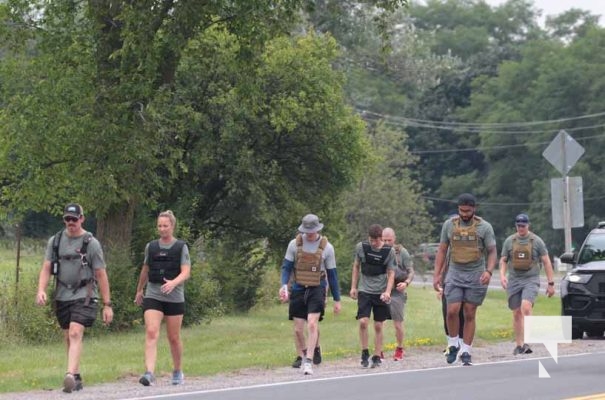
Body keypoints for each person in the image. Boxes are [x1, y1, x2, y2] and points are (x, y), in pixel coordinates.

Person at [35, 203, 113, 393]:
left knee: (75, 332)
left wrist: (107, 304)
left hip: (84, 294)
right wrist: (41, 289)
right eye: (67, 219)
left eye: (74, 219)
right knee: (68, 335)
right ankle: (76, 376)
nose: (71, 222)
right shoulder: (55, 241)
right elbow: (46, 267)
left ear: (82, 219)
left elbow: (101, 274)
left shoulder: (91, 243)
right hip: (62, 294)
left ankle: (69, 375)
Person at [432, 193, 497, 366]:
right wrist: (437, 274)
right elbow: (442, 250)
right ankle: (453, 343)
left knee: (469, 312)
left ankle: (466, 350)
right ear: (458, 209)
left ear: (474, 209)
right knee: (452, 310)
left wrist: (489, 271)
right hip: (454, 272)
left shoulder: (485, 227)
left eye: (468, 211)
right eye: (462, 210)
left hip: (476, 274)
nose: (465, 214)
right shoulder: (449, 225)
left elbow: (491, 251)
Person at [279, 214, 341, 375]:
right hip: (299, 288)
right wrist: (284, 285)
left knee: (312, 324)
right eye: (307, 231)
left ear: (318, 229)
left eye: (312, 231)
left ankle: (308, 361)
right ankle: (308, 351)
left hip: (317, 288)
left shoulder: (327, 247)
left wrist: (337, 299)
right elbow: (286, 267)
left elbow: (332, 274)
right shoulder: (294, 244)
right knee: (298, 330)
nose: (310, 234)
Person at [134, 210, 191, 386]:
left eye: (165, 225)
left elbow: (186, 272)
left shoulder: (181, 247)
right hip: (153, 294)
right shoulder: (151, 247)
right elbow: (145, 269)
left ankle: (177, 370)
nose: (162, 229)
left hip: (174, 297)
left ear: (172, 226)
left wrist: (174, 283)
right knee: (151, 331)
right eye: (159, 225)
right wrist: (139, 290)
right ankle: (149, 373)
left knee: (173, 337)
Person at [499, 213, 555, 355]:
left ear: (528, 225)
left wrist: (551, 283)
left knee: (526, 307)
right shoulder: (509, 241)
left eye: (523, 225)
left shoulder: (537, 241)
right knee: (516, 313)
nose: (521, 228)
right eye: (518, 225)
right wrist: (502, 276)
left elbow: (547, 262)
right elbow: (504, 260)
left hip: (531, 279)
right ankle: (519, 345)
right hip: (514, 280)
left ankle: (527, 341)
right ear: (516, 226)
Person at [350, 224, 396, 368]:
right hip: (365, 289)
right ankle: (364, 352)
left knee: (378, 325)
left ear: (381, 238)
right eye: (371, 240)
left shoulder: (389, 251)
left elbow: (391, 273)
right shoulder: (361, 248)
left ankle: (377, 355)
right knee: (363, 321)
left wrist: (388, 292)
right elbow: (356, 266)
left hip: (380, 291)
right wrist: (353, 287)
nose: (373, 243)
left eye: (376, 240)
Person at [382, 227, 414, 361]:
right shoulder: (378, 251)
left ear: (394, 239)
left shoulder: (402, 252)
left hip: (397, 290)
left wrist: (406, 283)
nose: (386, 242)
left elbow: (411, 271)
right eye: (384, 240)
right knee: (380, 322)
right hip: (382, 290)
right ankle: (379, 350)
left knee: (397, 323)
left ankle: (400, 348)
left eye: (389, 240)